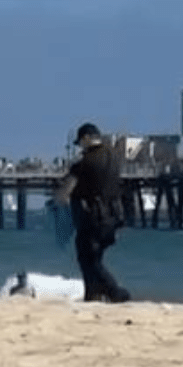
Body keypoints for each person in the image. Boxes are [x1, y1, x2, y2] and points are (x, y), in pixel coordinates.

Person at [53, 122, 131, 303]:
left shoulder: (84, 162)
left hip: (93, 218)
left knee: (87, 259)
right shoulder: (114, 157)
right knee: (95, 257)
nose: (80, 146)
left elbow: (65, 193)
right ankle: (93, 296)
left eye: (80, 142)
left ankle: (115, 291)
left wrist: (59, 201)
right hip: (114, 216)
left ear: (87, 138)